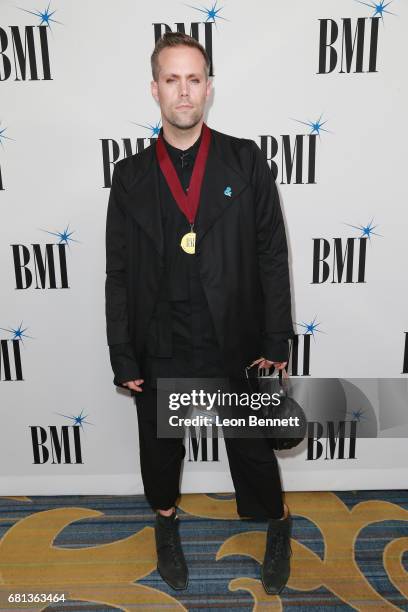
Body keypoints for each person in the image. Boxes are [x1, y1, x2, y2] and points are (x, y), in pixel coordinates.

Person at [105, 32, 295, 595]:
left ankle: (278, 523)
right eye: (172, 80)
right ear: (155, 89)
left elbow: (271, 254)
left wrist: (277, 340)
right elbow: (118, 273)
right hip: (162, 340)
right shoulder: (131, 176)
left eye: (194, 79)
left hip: (235, 338)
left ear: (208, 88)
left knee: (253, 451)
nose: (183, 92)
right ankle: (165, 526)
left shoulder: (244, 159)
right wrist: (123, 352)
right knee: (161, 452)